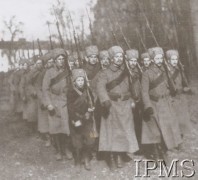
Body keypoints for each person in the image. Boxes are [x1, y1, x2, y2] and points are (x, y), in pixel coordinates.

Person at [97, 46, 139, 170]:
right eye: (116, 57)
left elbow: (133, 87)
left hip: (125, 104)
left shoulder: (127, 71)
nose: (119, 59)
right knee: (113, 132)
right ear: (111, 58)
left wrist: (133, 99)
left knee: (125, 130)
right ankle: (112, 157)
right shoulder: (105, 72)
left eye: (121, 56)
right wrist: (105, 100)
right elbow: (100, 87)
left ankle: (122, 154)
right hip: (112, 104)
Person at [141, 47, 182, 160]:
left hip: (167, 102)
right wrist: (147, 105)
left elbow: (171, 86)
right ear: (152, 60)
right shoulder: (147, 73)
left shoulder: (165, 71)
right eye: (157, 58)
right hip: (155, 103)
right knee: (156, 130)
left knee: (168, 127)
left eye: (161, 58)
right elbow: (144, 92)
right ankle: (158, 153)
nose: (159, 60)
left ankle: (165, 149)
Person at [42, 48, 72, 161]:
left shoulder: (68, 71)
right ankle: (59, 151)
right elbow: (45, 89)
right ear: (55, 60)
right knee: (56, 128)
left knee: (66, 127)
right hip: (54, 103)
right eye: (59, 59)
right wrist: (48, 103)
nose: (61, 61)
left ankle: (67, 149)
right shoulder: (49, 72)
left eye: (63, 59)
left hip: (66, 102)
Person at [67, 68, 96, 171]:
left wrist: (91, 108)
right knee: (77, 143)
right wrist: (75, 119)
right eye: (78, 80)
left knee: (90, 140)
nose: (81, 82)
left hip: (87, 119)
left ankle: (86, 158)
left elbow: (92, 101)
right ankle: (78, 161)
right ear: (74, 82)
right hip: (76, 119)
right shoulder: (71, 93)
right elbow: (70, 108)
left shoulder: (88, 91)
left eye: (82, 80)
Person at [166, 50, 192, 140]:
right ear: (168, 60)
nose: (174, 61)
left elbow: (184, 83)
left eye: (176, 59)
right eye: (172, 59)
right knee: (173, 120)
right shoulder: (166, 71)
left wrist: (185, 88)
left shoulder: (179, 69)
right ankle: (175, 139)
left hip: (181, 97)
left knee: (182, 119)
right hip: (172, 98)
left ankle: (180, 137)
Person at [125, 49, 143, 148]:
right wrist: (131, 100)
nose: (133, 63)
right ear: (127, 60)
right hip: (130, 101)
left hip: (139, 99)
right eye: (131, 61)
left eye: (135, 61)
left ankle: (140, 144)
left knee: (139, 122)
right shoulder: (124, 72)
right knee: (131, 123)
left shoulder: (139, 70)